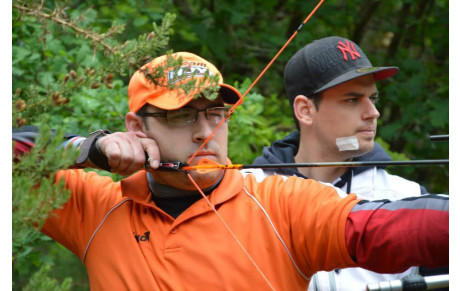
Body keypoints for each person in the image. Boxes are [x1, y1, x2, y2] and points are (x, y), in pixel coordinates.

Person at [13, 52, 448, 290]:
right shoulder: (97, 206)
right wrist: (89, 147)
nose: (206, 132)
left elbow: (379, 230)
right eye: (183, 116)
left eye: (216, 113)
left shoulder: (279, 202)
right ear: (136, 127)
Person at [248, 36, 448, 290]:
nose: (372, 113)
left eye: (372, 99)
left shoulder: (406, 195)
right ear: (305, 110)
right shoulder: (249, 192)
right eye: (352, 100)